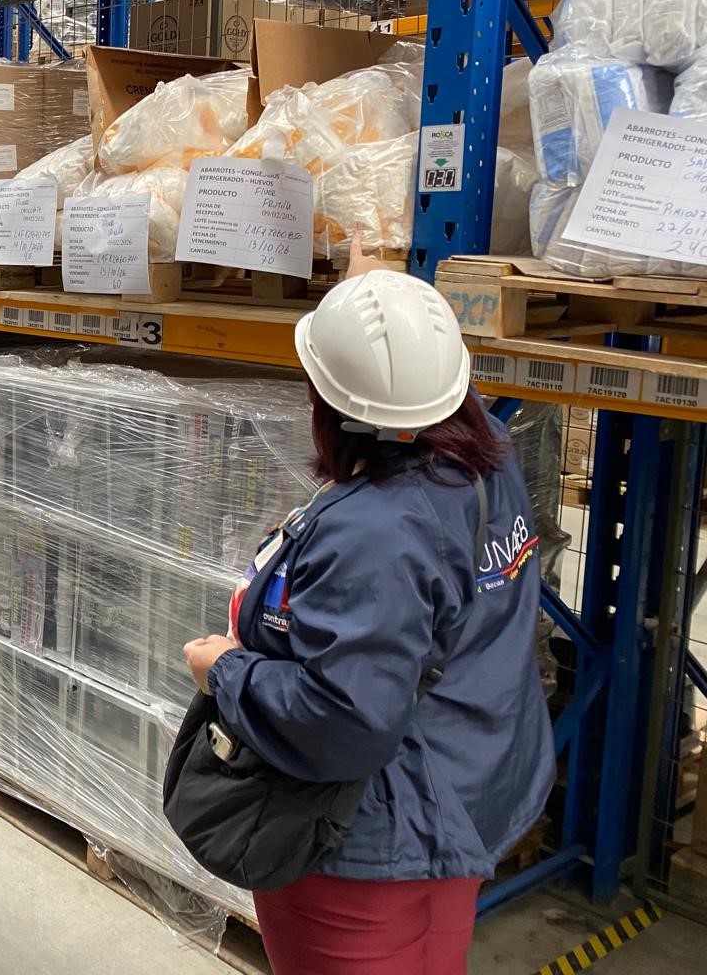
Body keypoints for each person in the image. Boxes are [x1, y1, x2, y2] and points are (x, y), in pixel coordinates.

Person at [180, 247, 555, 975]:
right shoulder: (488, 461)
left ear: (325, 400)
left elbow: (342, 722)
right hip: (469, 789)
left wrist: (224, 671)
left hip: (368, 842)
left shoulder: (374, 531)